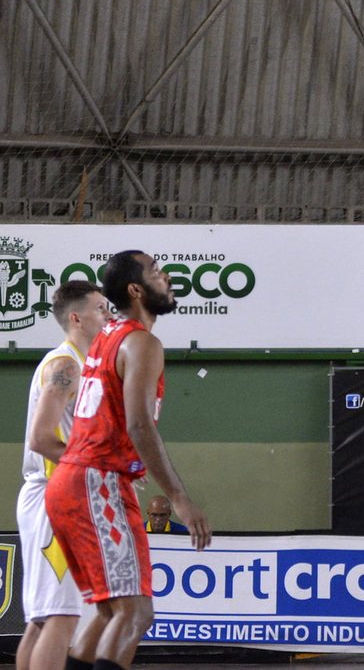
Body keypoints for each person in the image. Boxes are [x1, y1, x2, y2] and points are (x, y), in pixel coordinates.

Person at [44, 250, 212, 670]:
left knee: (107, 613)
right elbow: (139, 426)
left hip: (71, 482)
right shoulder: (141, 342)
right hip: (95, 480)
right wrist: (178, 496)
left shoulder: (107, 336)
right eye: (156, 271)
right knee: (136, 613)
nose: (167, 276)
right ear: (136, 290)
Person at [14, 281, 109, 670]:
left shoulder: (81, 365)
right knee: (62, 616)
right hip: (57, 496)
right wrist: (99, 467)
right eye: (101, 309)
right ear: (76, 318)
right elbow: (41, 438)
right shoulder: (65, 365)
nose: (108, 316)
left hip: (57, 494)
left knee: (42, 620)